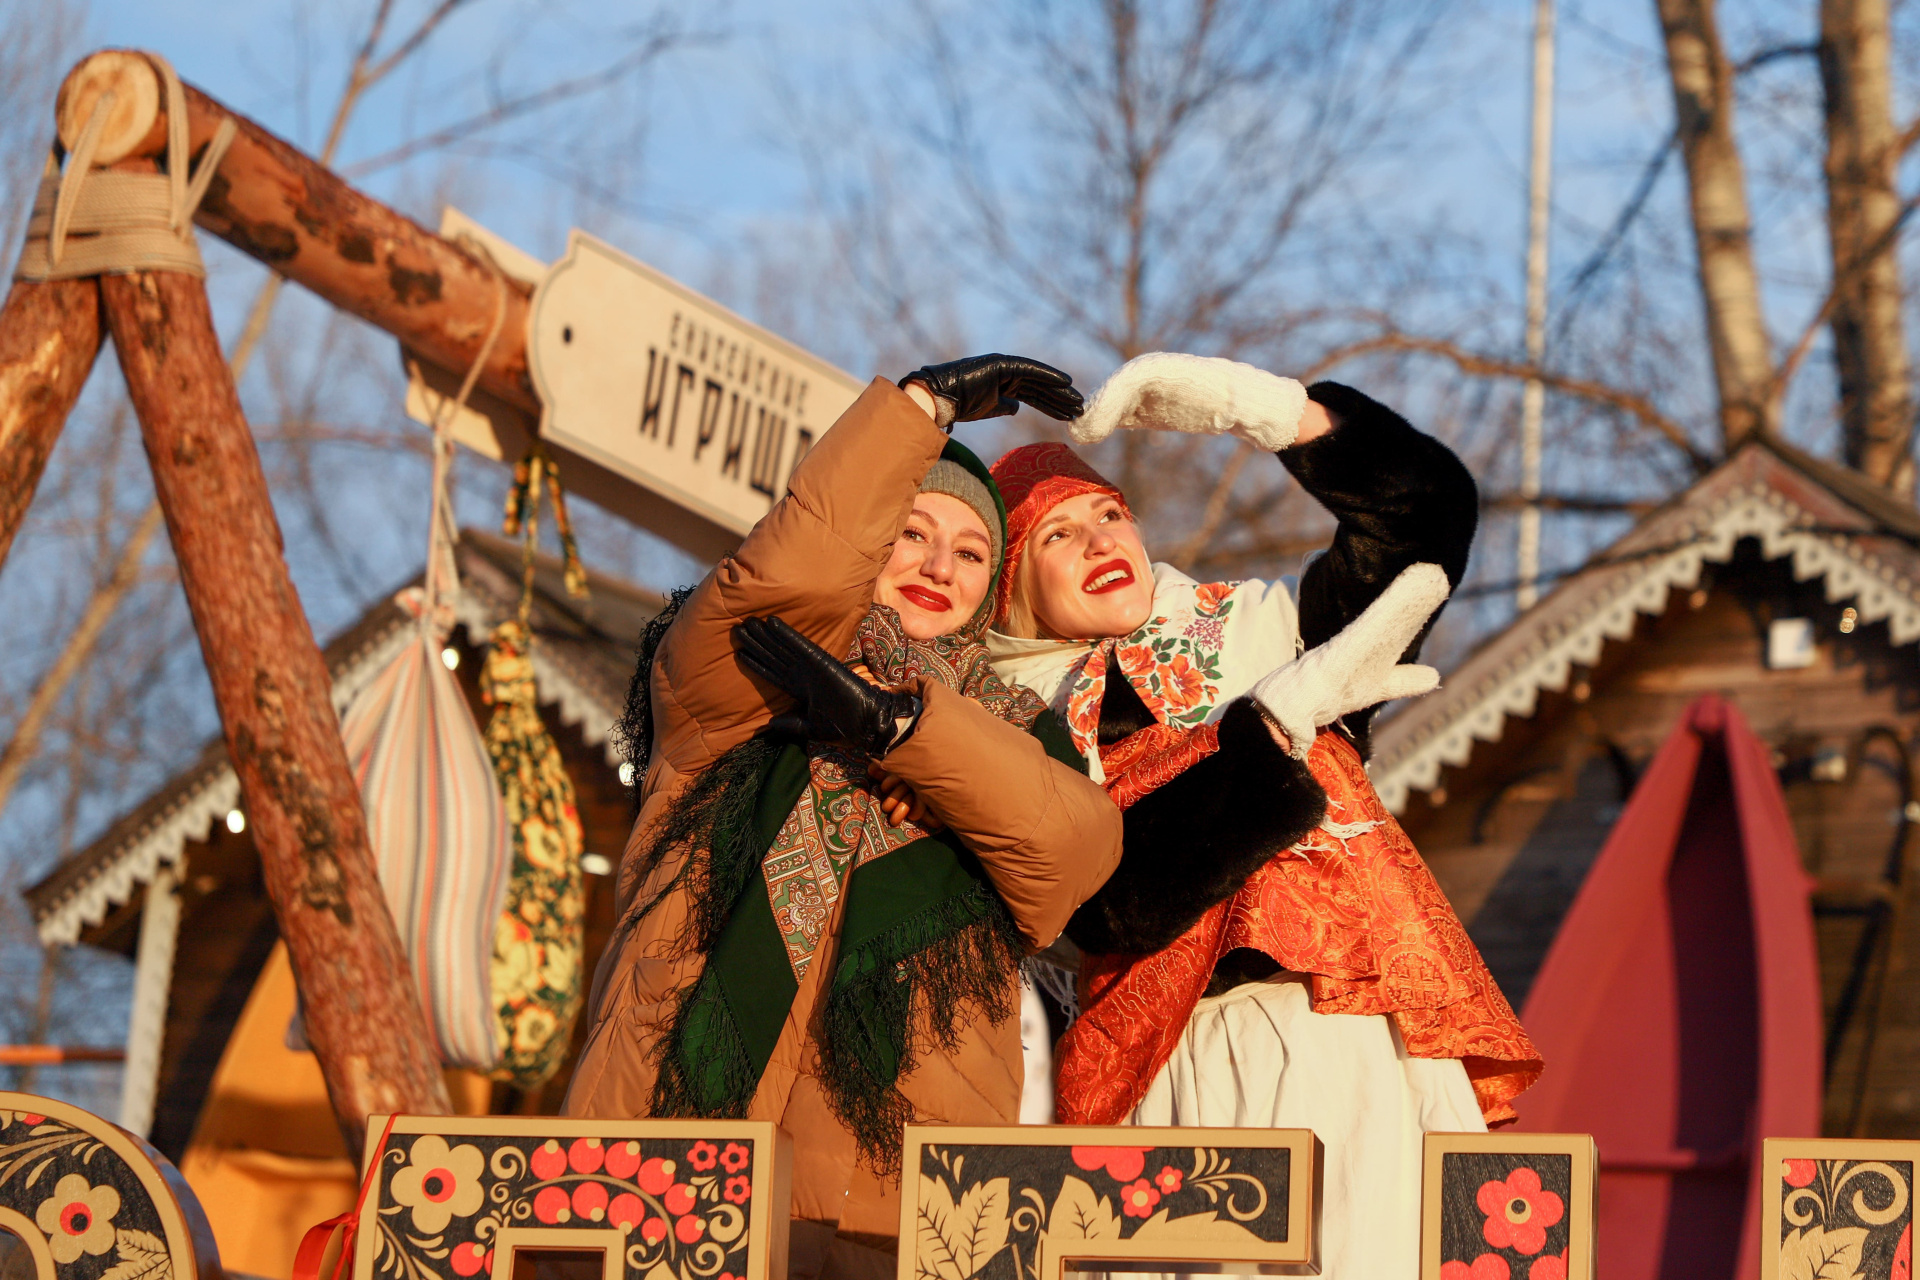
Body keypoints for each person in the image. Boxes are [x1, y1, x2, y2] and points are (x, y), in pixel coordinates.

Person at [563, 355, 1124, 1280]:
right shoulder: (738, 687)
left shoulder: (1020, 739)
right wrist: (917, 412)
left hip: (894, 1207)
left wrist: (907, 734)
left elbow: (1077, 846)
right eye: (911, 533)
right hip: (660, 1173)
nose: (939, 566)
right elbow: (782, 580)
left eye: (972, 553)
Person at [984, 353, 1542, 1278]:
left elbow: (1427, 520)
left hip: (1350, 1031)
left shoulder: (1264, 632)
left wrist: (1277, 414)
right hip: (1172, 1058)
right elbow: (1115, 906)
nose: (1097, 541)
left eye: (1110, 515)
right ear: (1012, 587)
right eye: (1057, 534)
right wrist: (1271, 729)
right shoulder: (1011, 733)